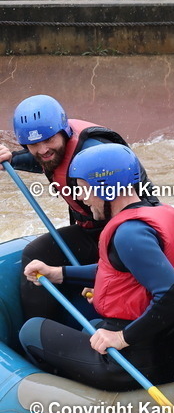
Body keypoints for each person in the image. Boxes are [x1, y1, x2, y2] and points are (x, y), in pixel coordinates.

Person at [20, 144, 174, 391]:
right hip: (169, 351)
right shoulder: (158, 213)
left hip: (129, 367)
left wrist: (122, 338)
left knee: (31, 330)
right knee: (93, 326)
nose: (82, 198)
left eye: (83, 189)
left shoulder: (129, 234)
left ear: (105, 188)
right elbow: (120, 272)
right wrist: (58, 274)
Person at [0, 95, 157, 324]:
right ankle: (40, 331)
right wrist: (12, 159)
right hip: (95, 229)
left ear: (64, 131)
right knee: (36, 253)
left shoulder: (97, 155)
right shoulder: (56, 147)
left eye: (48, 140)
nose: (42, 149)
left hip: (127, 233)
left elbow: (135, 207)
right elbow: (50, 160)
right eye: (34, 145)